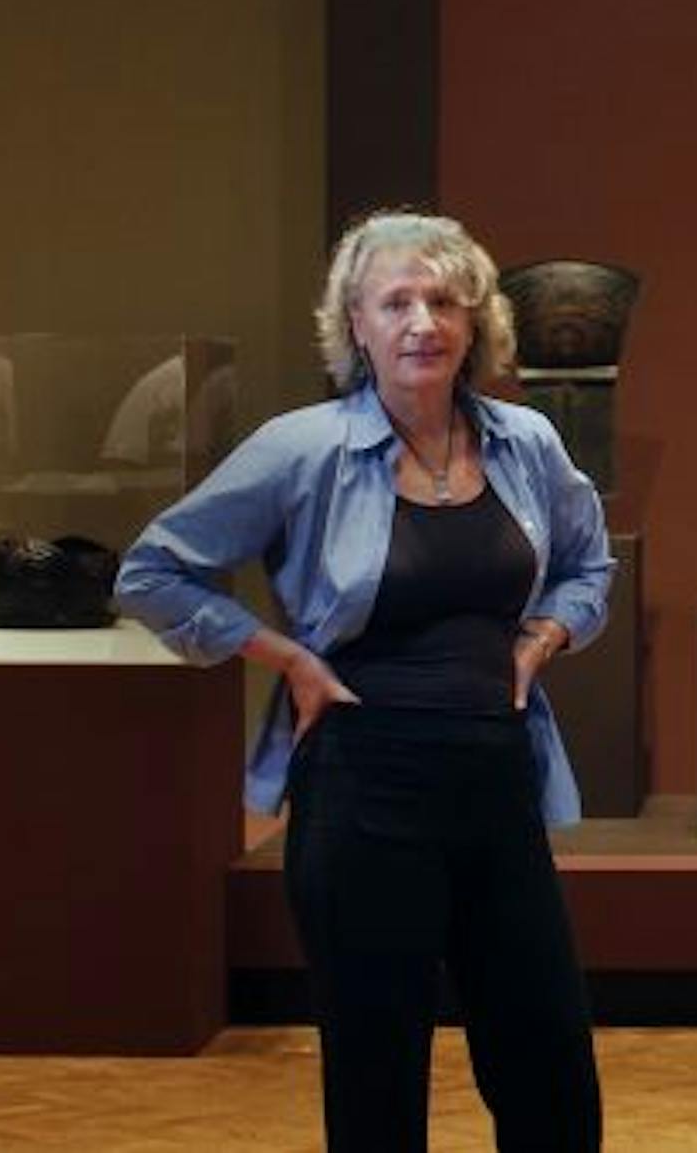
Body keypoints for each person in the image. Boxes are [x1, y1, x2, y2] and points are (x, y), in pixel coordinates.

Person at [116, 213, 610, 1151]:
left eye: (443, 300)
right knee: (378, 1079)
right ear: (357, 324)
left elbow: (591, 568)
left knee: (549, 1070)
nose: (422, 321)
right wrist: (286, 656)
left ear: (476, 320)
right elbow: (153, 570)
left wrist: (542, 637)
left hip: (500, 786)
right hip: (363, 789)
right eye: (396, 302)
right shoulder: (302, 448)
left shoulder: (527, 442)